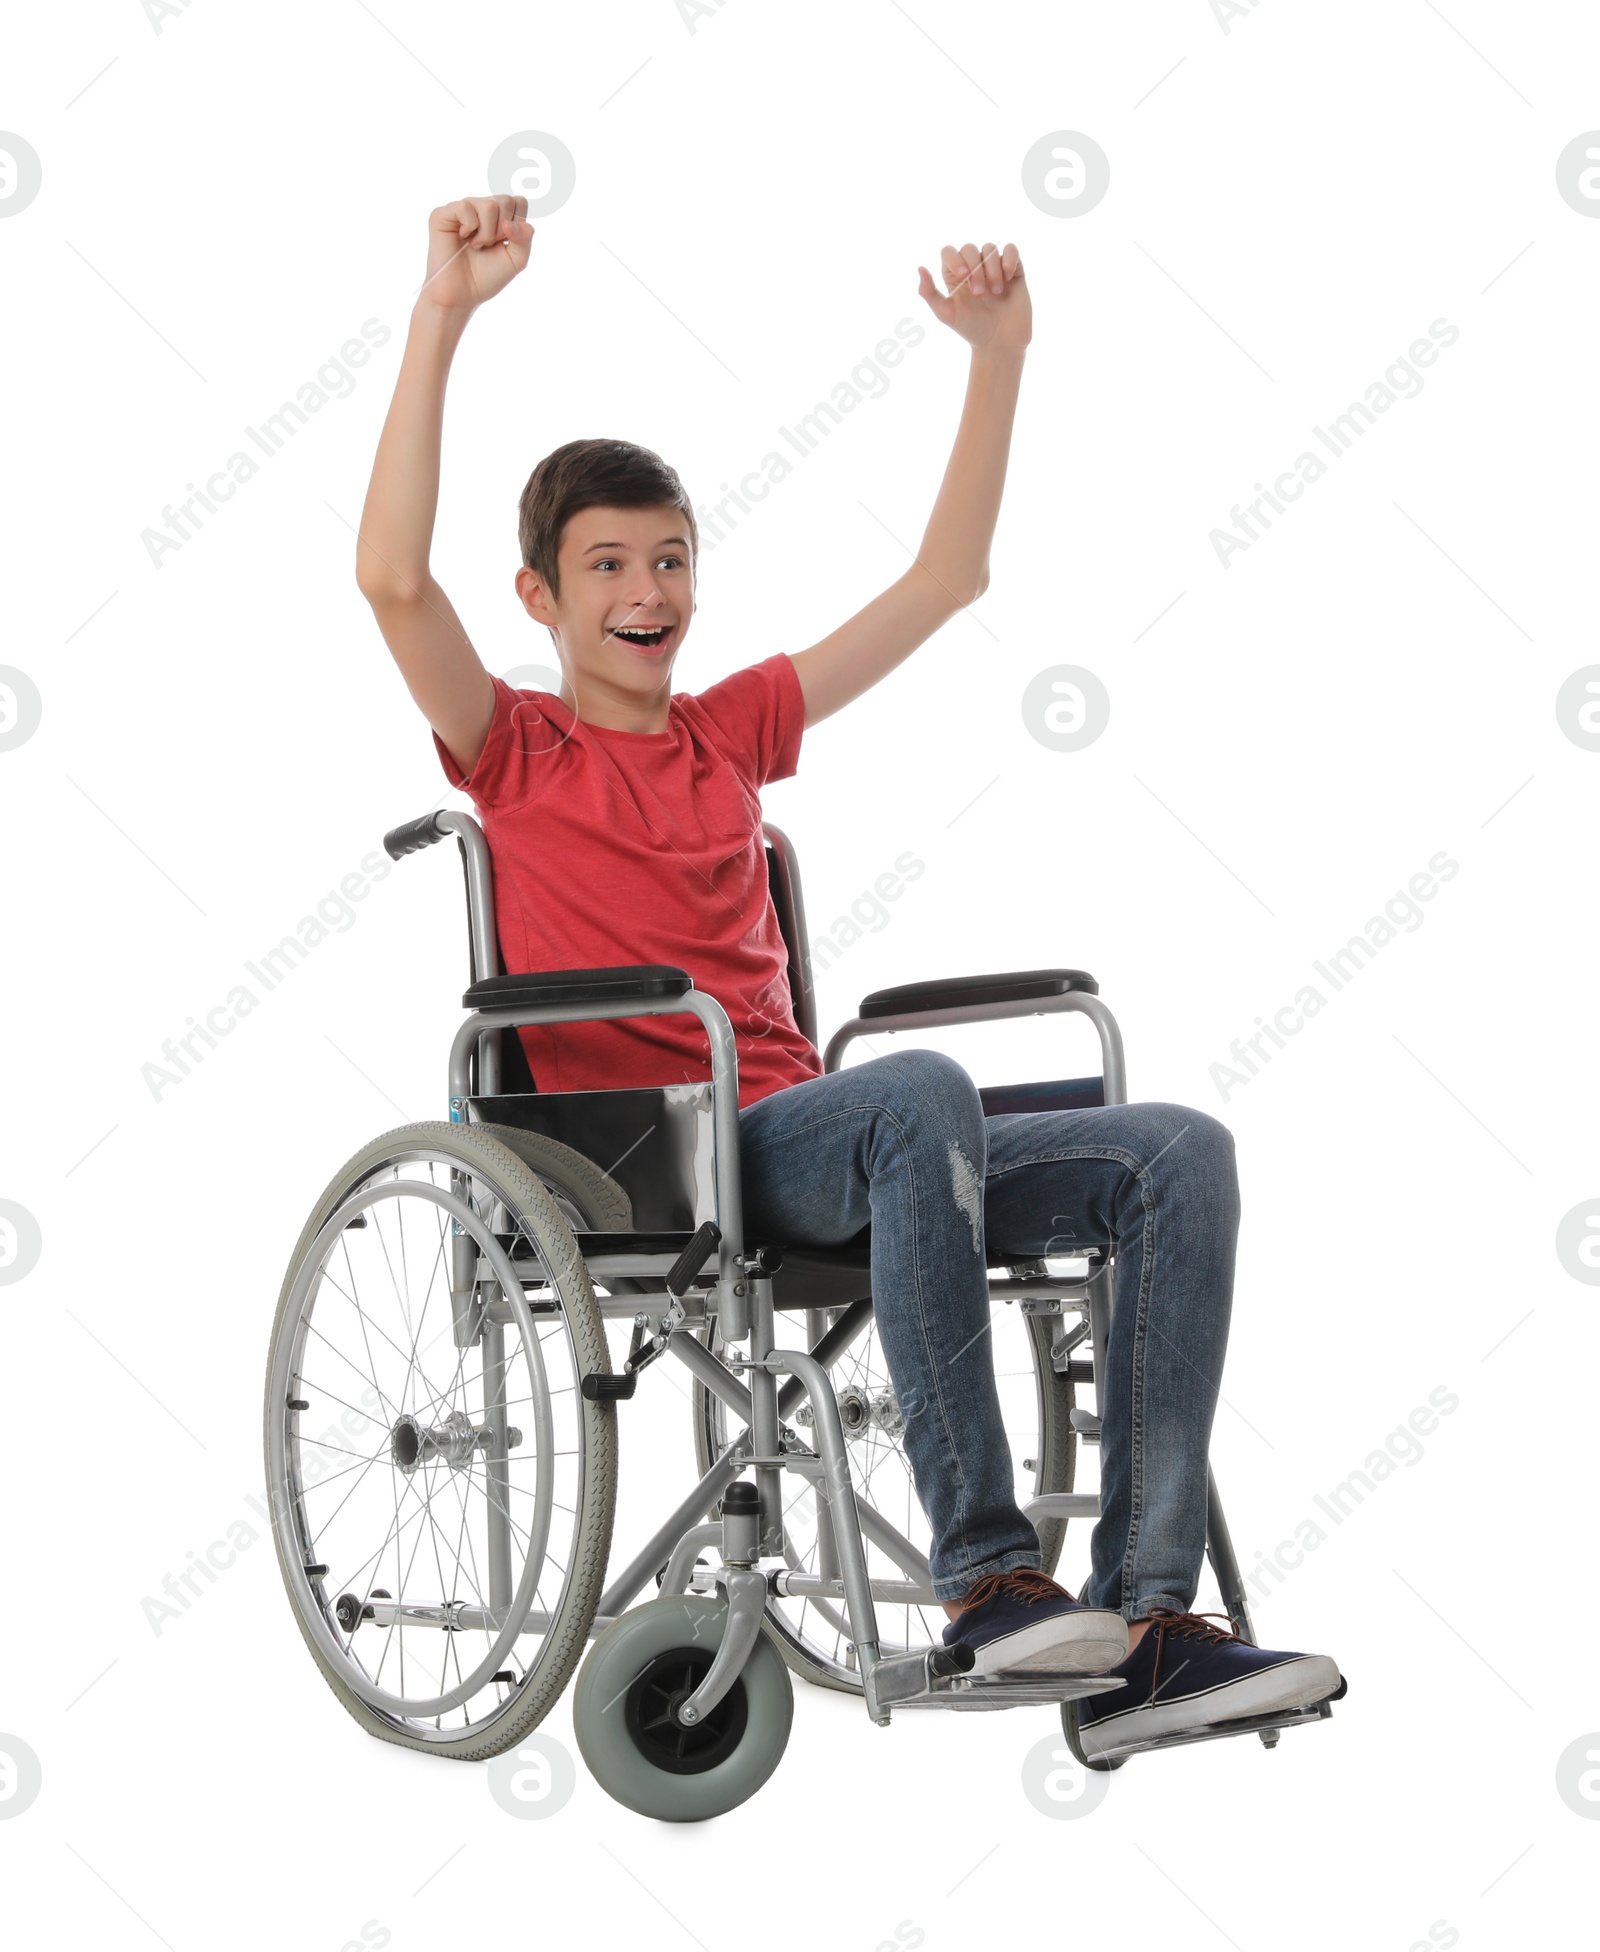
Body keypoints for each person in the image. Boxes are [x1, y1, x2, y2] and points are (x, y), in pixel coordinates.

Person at [356, 195, 1343, 1763]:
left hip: (824, 1136)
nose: (649, 589)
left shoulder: (731, 728)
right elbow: (394, 584)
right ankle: (986, 1582)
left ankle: (1149, 1627)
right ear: (541, 595)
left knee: (1176, 1154)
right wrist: (441, 315)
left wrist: (998, 360)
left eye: (672, 559)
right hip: (665, 1156)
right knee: (917, 1098)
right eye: (608, 563)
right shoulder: (515, 749)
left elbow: (945, 580)